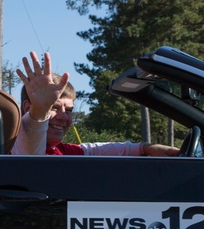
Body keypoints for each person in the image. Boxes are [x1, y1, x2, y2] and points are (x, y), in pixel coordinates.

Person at [12, 51, 179, 156]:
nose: (63, 117)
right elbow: (31, 145)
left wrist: (145, 148)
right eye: (54, 107)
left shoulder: (61, 151)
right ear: (28, 107)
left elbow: (94, 150)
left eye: (69, 110)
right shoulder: (19, 149)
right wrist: (40, 110)